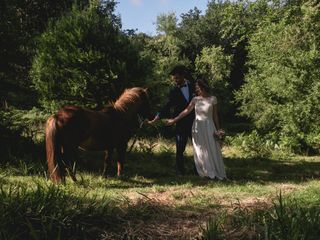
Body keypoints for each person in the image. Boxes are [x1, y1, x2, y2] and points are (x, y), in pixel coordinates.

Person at [165, 78, 227, 180]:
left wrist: (218, 129)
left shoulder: (213, 99)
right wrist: (174, 120)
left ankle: (214, 171)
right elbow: (185, 111)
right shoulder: (195, 100)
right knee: (200, 149)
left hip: (209, 126)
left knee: (212, 147)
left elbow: (215, 116)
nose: (196, 89)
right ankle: (204, 172)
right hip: (197, 127)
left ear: (203, 87)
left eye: (197, 87)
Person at [148, 65, 195, 175]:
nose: (176, 81)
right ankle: (180, 171)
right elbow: (167, 106)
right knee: (180, 148)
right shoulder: (173, 91)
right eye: (174, 79)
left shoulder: (194, 87)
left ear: (183, 76)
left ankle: (198, 169)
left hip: (195, 122)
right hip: (180, 122)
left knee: (198, 147)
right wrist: (157, 117)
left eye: (177, 78)